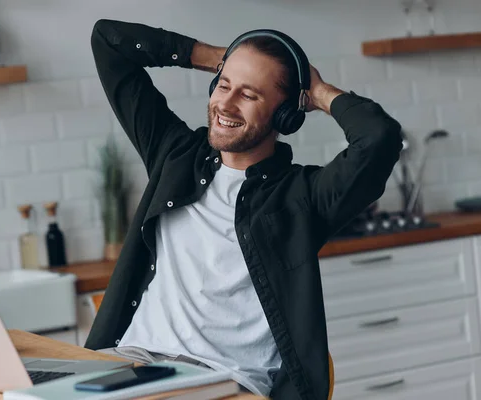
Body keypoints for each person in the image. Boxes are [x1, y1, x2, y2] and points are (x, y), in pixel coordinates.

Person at [85, 18, 402, 399]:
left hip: (223, 381)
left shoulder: (303, 197)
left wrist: (317, 92)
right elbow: (108, 40)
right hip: (133, 363)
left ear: (285, 115)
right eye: (223, 85)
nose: (226, 104)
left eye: (249, 95)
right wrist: (219, 58)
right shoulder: (174, 156)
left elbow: (379, 138)